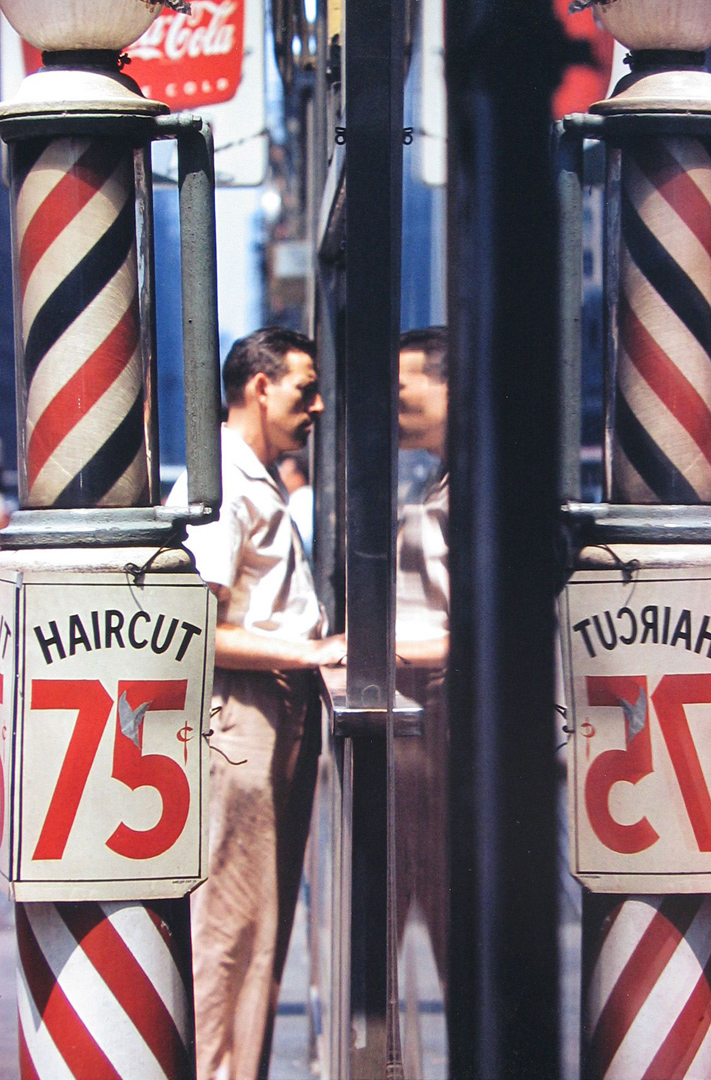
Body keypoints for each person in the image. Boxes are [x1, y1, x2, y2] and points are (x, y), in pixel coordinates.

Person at [168, 327, 345, 1080]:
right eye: (304, 388)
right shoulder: (223, 488)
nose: (317, 406)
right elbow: (196, 628)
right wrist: (308, 651)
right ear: (259, 386)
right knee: (232, 927)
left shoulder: (249, 478)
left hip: (270, 710)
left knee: (255, 924)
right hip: (242, 714)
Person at [394, 328, 449, 1071]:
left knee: (452, 920)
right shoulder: (437, 482)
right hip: (421, 725)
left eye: (403, 388)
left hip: (447, 726)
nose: (392, 405)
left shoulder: (471, 493)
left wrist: (381, 650)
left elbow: (493, 629)